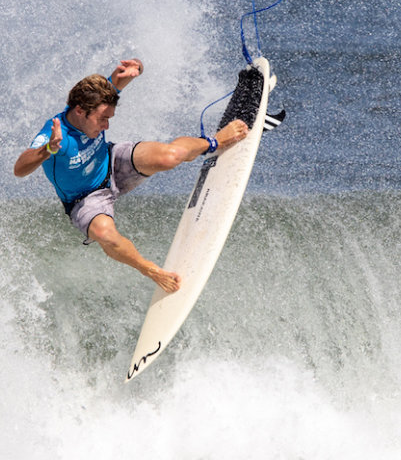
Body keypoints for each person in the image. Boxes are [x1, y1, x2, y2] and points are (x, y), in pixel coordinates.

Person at [14, 58, 249, 293]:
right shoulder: (55, 134)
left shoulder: (94, 99)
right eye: (102, 119)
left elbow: (116, 81)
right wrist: (48, 150)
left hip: (112, 161)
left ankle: (214, 141)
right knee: (103, 233)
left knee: (169, 156)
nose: (106, 126)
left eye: (109, 118)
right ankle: (150, 270)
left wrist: (137, 67)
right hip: (84, 199)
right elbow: (20, 168)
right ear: (79, 111)